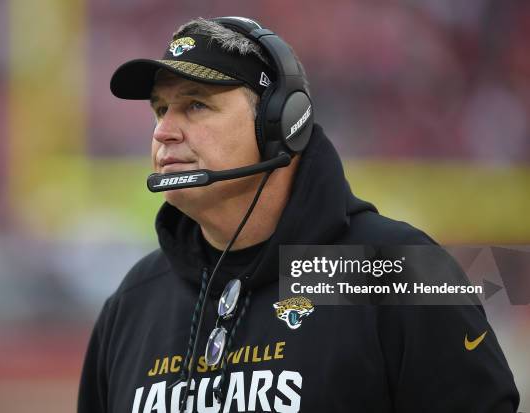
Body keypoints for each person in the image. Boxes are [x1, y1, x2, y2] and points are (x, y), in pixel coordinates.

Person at [78, 17, 519, 413]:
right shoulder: (134, 302)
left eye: (196, 105)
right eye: (160, 109)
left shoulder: (392, 270)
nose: (163, 131)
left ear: (279, 123)